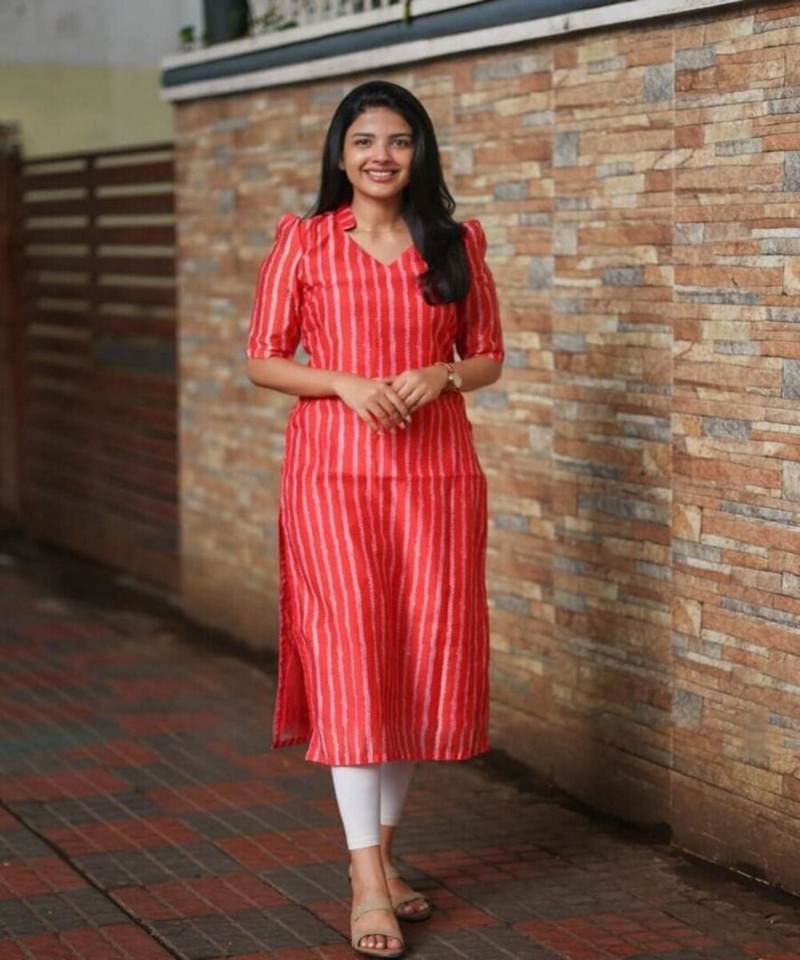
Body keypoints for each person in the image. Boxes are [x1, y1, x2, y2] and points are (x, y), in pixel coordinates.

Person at [245, 79, 504, 957]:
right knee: (355, 657)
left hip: (436, 477)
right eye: (364, 141)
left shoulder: (456, 242)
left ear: (419, 151)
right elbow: (263, 359)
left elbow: (489, 355)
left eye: (398, 140)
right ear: (341, 154)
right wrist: (343, 382)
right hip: (332, 478)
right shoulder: (305, 241)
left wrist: (443, 374)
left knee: (413, 658)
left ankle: (385, 860)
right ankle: (365, 881)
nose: (381, 156)